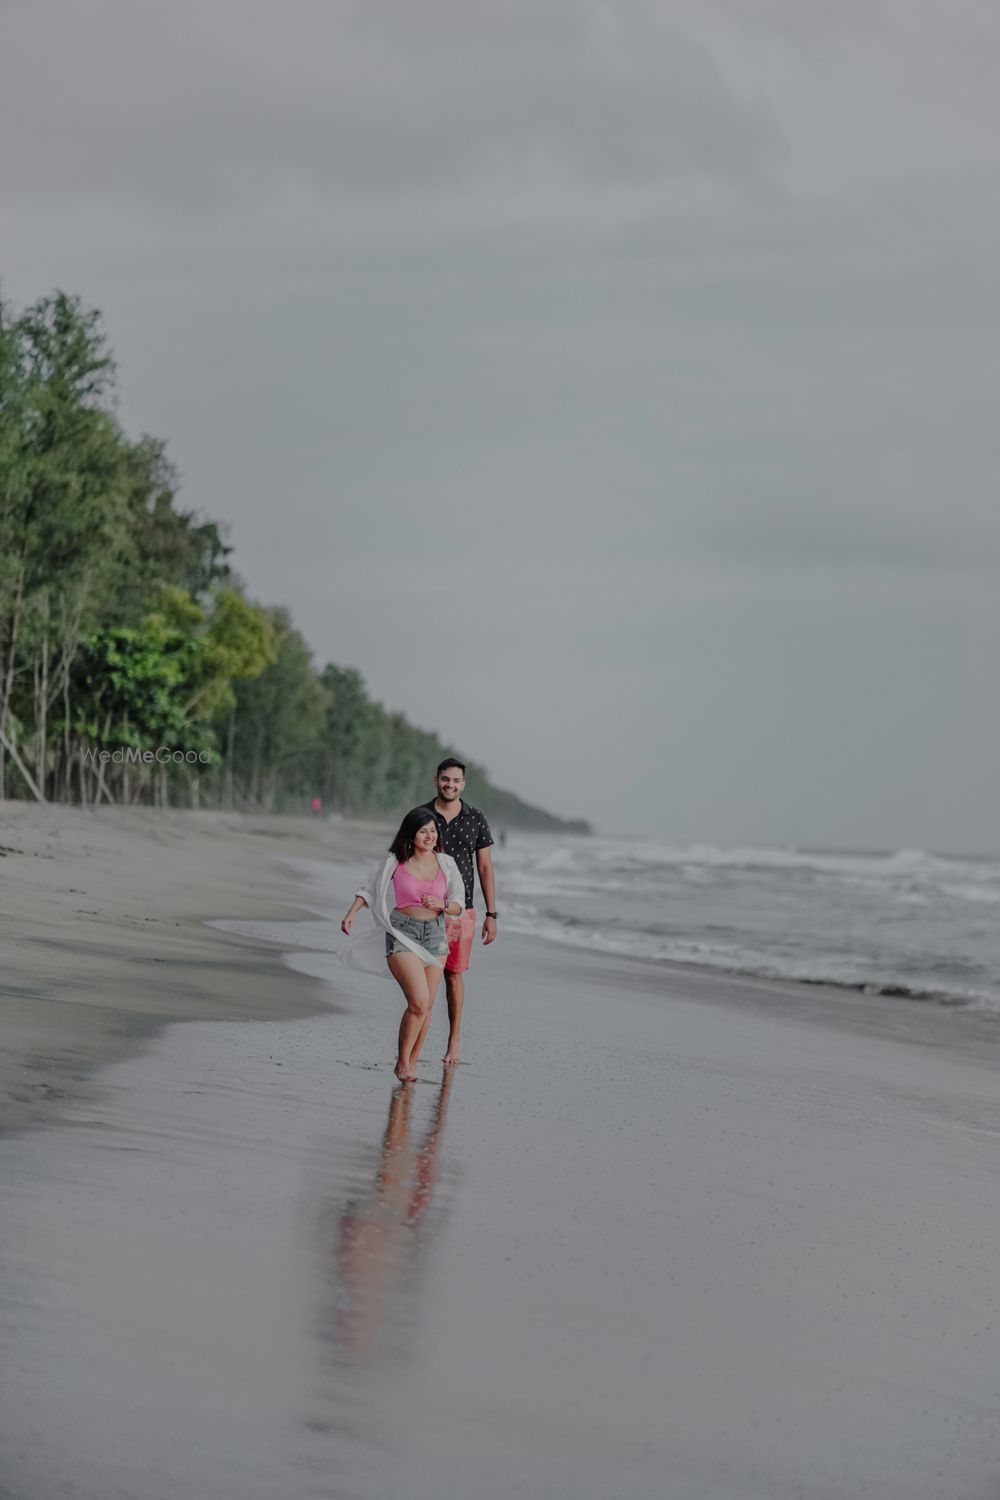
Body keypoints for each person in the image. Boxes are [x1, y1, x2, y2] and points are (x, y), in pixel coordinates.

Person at [341, 807, 465, 1082]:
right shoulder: (395, 862)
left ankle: (411, 1062)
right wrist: (352, 913)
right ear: (411, 834)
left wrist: (443, 904)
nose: (430, 836)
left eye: (433, 831)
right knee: (419, 1003)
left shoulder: (446, 864)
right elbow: (369, 889)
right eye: (423, 831)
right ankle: (401, 1063)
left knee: (427, 1007)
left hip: (435, 936)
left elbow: (459, 903)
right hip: (402, 933)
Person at [420, 758, 497, 1065]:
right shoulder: (422, 815)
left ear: (463, 784)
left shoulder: (476, 818)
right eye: (445, 779)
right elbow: (405, 856)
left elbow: (485, 867)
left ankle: (453, 1041)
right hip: (425, 910)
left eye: (455, 780)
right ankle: (416, 1040)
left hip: (461, 912)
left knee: (453, 975)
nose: (450, 784)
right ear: (435, 780)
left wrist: (492, 914)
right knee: (425, 978)